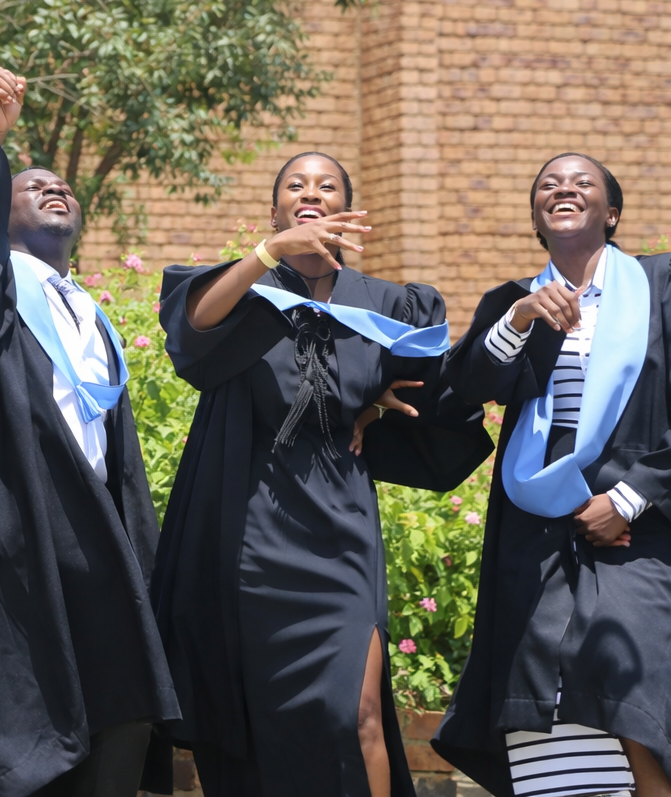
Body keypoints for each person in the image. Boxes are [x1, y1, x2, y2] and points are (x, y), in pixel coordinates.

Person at [156, 152, 493, 797]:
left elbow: (444, 395)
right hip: (251, 533)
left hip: (340, 523)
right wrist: (268, 252)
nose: (310, 194)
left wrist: (375, 406)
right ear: (275, 209)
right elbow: (192, 329)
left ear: (347, 208)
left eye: (326, 186)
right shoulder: (245, 291)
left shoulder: (391, 304)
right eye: (294, 187)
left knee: (359, 710)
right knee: (263, 711)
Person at [0, 61, 178, 797]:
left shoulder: (91, 315)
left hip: (97, 536)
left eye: (62, 185)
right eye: (31, 186)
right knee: (28, 733)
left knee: (122, 711)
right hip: (15, 535)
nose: (54, 186)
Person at [433, 153, 671, 797]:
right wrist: (519, 321)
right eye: (548, 184)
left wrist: (631, 496)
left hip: (640, 528)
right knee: (536, 689)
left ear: (612, 213)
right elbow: (467, 388)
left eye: (582, 182)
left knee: (629, 681)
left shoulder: (661, 285)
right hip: (536, 528)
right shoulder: (514, 301)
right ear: (538, 216)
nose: (562, 189)